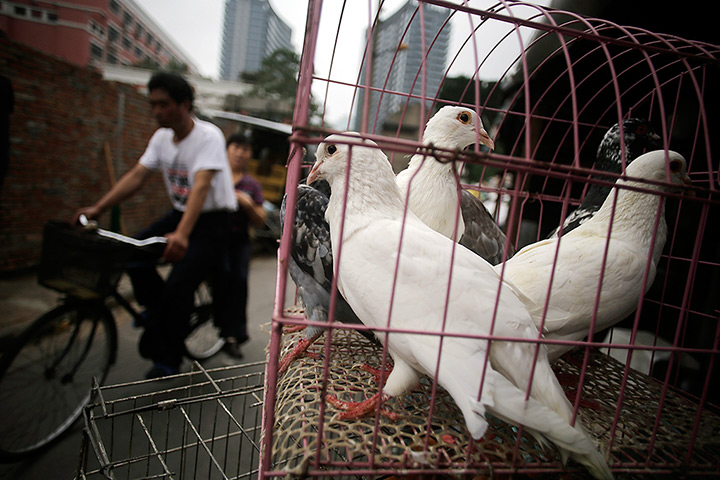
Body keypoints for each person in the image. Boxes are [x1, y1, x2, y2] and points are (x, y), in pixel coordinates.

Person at [74, 71, 237, 379]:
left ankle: (168, 359)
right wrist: (98, 208)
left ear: (184, 104)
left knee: (178, 287)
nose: (157, 111)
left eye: (163, 104)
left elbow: (201, 187)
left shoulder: (208, 136)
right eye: (153, 105)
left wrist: (182, 235)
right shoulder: (161, 138)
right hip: (181, 214)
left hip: (212, 222)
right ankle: (158, 310)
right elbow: (137, 176)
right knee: (132, 252)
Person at [216, 133, 266, 358]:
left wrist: (247, 204)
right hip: (213, 238)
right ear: (227, 149)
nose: (240, 152)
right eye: (236, 147)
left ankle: (234, 335)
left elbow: (261, 219)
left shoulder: (251, 185)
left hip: (238, 242)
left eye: (246, 149)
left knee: (238, 282)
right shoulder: (214, 177)